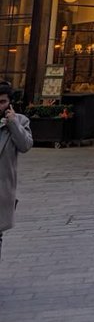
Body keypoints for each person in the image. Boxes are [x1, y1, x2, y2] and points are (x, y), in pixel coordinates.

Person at [0, 81, 33, 262]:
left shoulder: (20, 121)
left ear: (10, 103)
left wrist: (12, 123)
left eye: (3, 102)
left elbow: (25, 145)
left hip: (2, 188)